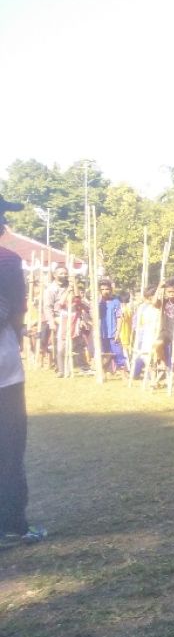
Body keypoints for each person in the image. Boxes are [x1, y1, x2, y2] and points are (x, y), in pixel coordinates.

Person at [0, 196, 42, 544]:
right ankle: (12, 525)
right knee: (9, 449)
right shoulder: (8, 261)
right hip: (4, 373)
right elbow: (16, 315)